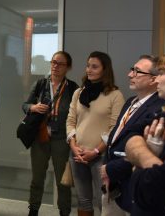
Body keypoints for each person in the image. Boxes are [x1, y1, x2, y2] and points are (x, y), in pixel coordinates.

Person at [100, 55, 165, 215]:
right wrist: (108, 171)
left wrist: (111, 169)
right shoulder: (130, 102)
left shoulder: (159, 108)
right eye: (132, 70)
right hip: (112, 183)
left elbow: (145, 151)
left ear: (153, 79)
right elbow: (116, 138)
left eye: (137, 71)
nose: (130, 75)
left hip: (132, 184)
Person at [66, 51, 125, 216]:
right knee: (83, 200)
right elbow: (70, 121)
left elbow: (115, 128)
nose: (89, 70)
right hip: (77, 154)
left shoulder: (115, 95)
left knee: (103, 201)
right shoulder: (78, 93)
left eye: (94, 67)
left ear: (104, 70)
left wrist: (96, 151)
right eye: (88, 66)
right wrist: (74, 146)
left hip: (101, 156)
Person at [125, 51, 165, 216]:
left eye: (162, 73)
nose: (156, 79)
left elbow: (154, 187)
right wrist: (150, 157)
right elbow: (130, 134)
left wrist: (139, 166)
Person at [22, 51, 79, 216]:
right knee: (37, 179)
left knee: (63, 181)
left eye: (60, 64)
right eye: (53, 62)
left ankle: (64, 211)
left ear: (68, 67)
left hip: (61, 139)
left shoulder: (73, 88)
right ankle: (33, 210)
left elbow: (77, 115)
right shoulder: (40, 84)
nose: (55, 66)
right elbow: (25, 105)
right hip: (40, 137)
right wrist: (33, 107)